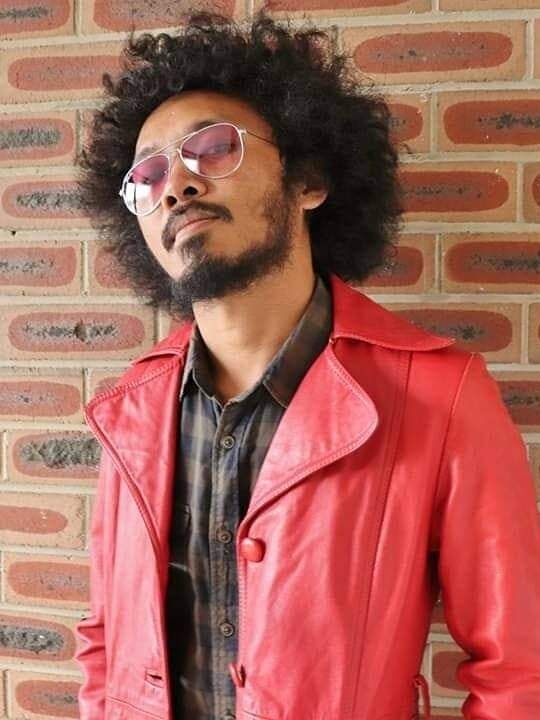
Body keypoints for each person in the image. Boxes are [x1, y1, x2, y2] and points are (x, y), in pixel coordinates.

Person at [74, 10, 540, 720]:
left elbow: (519, 673)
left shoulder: (441, 397)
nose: (176, 187)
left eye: (212, 148)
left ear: (310, 179)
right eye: (149, 175)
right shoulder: (131, 410)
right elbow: (106, 641)